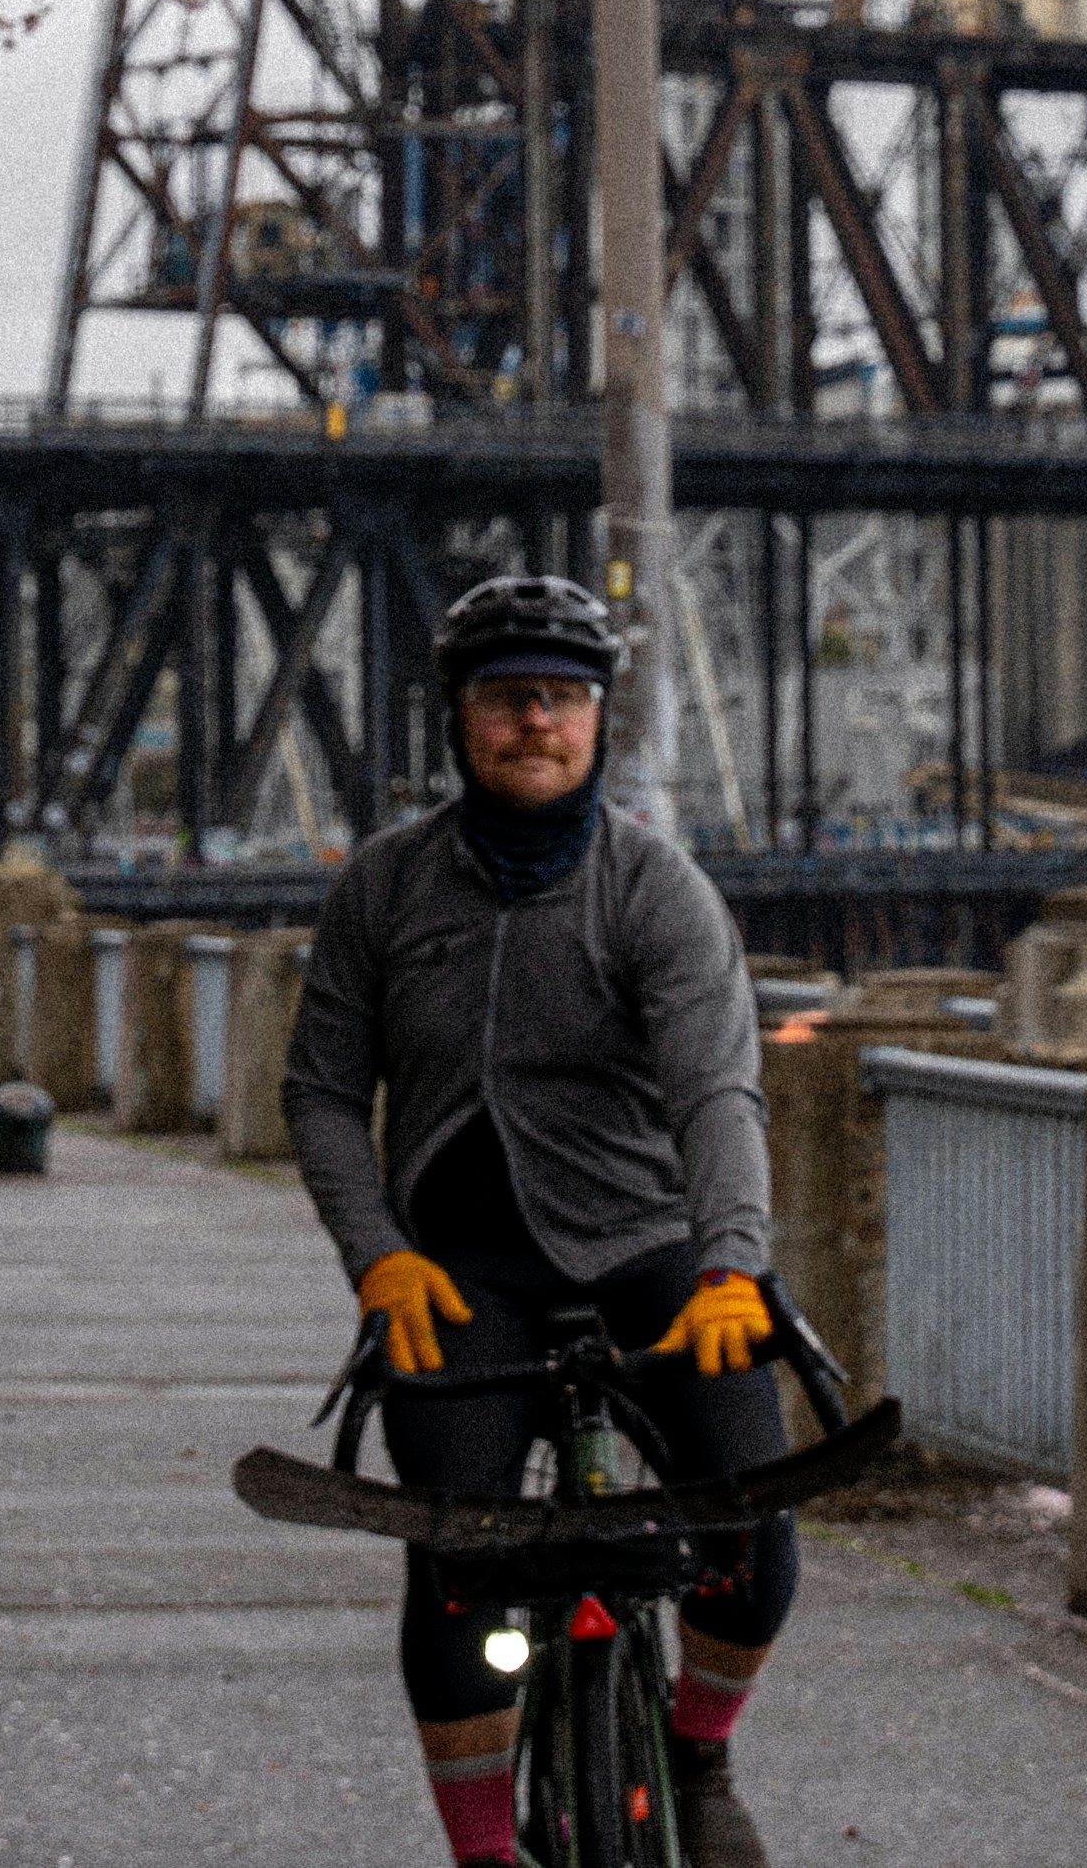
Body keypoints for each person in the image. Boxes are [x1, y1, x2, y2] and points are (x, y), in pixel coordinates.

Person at [284, 574, 786, 1868]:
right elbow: (324, 1091)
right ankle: (483, 1852)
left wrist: (734, 1266)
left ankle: (699, 1747)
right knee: (456, 1565)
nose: (536, 725)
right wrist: (377, 1254)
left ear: (599, 721)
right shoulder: (386, 887)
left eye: (562, 700)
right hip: (457, 1267)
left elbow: (717, 1090)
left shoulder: (656, 888)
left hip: (646, 1239)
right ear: (456, 718)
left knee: (752, 1531)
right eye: (507, 701)